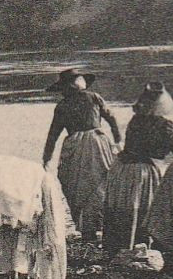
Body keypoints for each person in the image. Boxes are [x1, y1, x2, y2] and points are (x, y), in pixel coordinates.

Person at [102, 81, 173, 256]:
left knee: (123, 209)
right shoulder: (165, 125)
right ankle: (144, 245)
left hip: (123, 169)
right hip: (143, 172)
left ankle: (119, 247)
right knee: (147, 209)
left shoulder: (135, 120)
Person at [41, 69, 121, 241]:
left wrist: (47, 158)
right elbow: (112, 119)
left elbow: (53, 135)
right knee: (102, 182)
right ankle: (104, 226)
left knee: (75, 187)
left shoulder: (62, 106)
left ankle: (87, 229)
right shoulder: (93, 97)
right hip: (97, 143)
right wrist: (117, 142)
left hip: (76, 146)